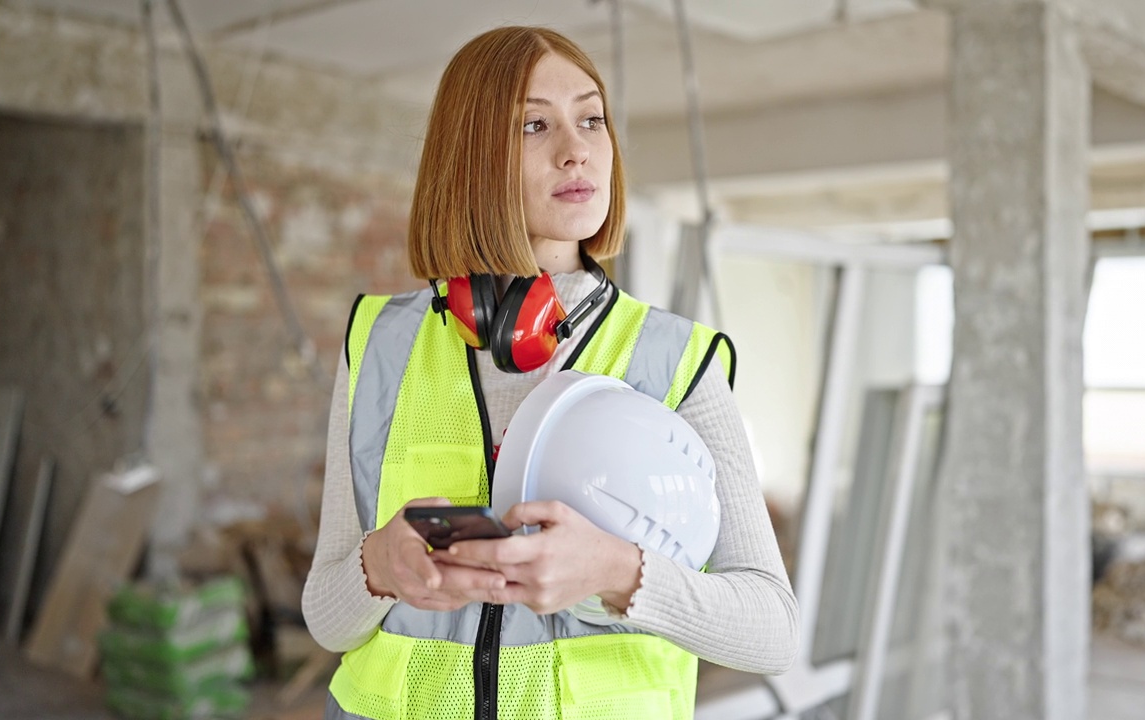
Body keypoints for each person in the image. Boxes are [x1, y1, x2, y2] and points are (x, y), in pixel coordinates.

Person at [302, 25, 797, 720]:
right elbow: (327, 619)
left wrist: (619, 573)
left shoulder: (676, 361)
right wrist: (379, 565)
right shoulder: (380, 345)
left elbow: (772, 629)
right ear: (470, 159)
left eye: (591, 118)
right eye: (535, 125)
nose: (578, 149)